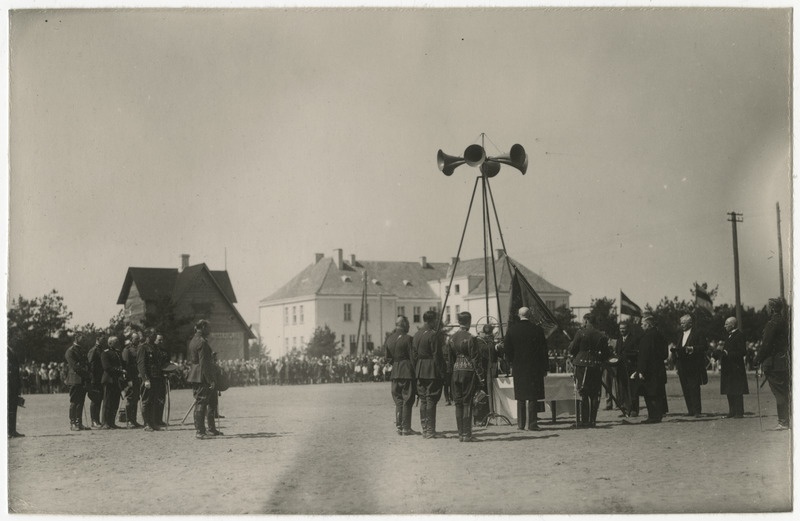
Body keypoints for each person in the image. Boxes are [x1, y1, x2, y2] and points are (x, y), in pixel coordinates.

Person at [504, 307, 549, 431]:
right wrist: (545, 367)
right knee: (533, 396)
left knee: (521, 396)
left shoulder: (512, 330)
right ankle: (533, 424)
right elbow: (544, 351)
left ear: (519, 315)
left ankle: (521, 424)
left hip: (519, 367)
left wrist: (511, 363)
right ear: (530, 315)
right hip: (535, 367)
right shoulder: (538, 330)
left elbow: (507, 349)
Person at [754, 298, 791, 430]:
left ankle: (783, 421)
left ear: (771, 309)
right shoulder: (785, 322)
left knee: (779, 393)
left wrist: (757, 359)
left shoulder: (772, 324)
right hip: (785, 361)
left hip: (774, 363)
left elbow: (766, 345)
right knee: (786, 391)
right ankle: (788, 420)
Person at [569, 314, 610, 428]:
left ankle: (584, 420)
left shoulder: (580, 332)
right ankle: (593, 420)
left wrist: (572, 346)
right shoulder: (601, 335)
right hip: (596, 365)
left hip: (581, 364)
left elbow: (572, 349)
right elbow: (606, 353)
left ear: (586, 321)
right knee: (594, 393)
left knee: (583, 392)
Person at [447, 312, 482, 442]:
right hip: (468, 372)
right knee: (467, 402)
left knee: (458, 403)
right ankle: (467, 434)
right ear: (469, 322)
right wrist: (480, 377)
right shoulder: (471, 338)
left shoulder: (451, 338)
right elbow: (476, 358)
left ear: (458, 321)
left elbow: (449, 360)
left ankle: (461, 433)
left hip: (455, 372)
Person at [412, 310, 446, 439]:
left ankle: (425, 428)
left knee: (423, 399)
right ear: (432, 320)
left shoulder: (417, 334)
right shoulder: (433, 335)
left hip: (420, 369)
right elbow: (437, 355)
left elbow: (414, 355)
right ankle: (431, 430)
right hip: (431, 369)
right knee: (431, 398)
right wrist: (442, 371)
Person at [187, 319, 220, 439]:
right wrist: (210, 379)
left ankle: (210, 429)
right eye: (209, 328)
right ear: (203, 327)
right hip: (202, 377)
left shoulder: (194, 340)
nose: (210, 330)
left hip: (197, 375)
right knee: (201, 403)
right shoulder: (202, 342)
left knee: (209, 402)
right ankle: (200, 432)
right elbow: (204, 364)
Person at [385, 316, 417, 436]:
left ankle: (399, 426)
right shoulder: (408, 339)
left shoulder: (389, 339)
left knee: (398, 400)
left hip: (395, 372)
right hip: (407, 371)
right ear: (403, 324)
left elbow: (387, 358)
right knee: (407, 400)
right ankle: (406, 427)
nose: (409, 326)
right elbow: (413, 357)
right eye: (407, 323)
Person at [633, 314, 668, 424]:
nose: (641, 326)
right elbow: (665, 354)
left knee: (650, 393)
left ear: (648, 325)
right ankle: (658, 415)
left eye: (643, 324)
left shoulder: (647, 337)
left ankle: (653, 416)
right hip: (659, 369)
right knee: (658, 393)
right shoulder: (660, 335)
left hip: (649, 370)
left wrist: (640, 370)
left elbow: (644, 355)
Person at [712, 317, 749, 419]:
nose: (725, 326)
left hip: (736, 367)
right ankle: (732, 411)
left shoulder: (739, 335)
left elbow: (742, 351)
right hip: (728, 367)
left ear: (732, 325)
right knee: (729, 389)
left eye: (726, 324)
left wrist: (728, 353)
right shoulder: (728, 336)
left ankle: (739, 412)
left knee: (737, 390)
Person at [672, 314, 708, 417]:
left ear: (690, 323)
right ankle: (690, 410)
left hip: (693, 365)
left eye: (683, 323)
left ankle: (697, 411)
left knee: (694, 387)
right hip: (682, 366)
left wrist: (693, 348)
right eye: (681, 323)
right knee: (685, 388)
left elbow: (704, 346)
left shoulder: (698, 333)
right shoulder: (680, 334)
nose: (681, 325)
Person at [138, 328, 167, 431]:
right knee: (146, 401)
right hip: (148, 378)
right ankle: (147, 424)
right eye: (153, 335)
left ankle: (153, 423)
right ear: (147, 336)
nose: (154, 336)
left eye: (155, 335)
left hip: (156, 377)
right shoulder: (143, 348)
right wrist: (145, 379)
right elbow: (141, 365)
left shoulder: (155, 348)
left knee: (154, 401)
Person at [65, 333, 92, 431]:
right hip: (75, 379)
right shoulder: (70, 351)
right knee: (74, 401)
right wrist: (86, 373)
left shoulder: (82, 350)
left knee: (81, 401)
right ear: (76, 338)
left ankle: (79, 422)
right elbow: (75, 366)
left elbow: (87, 363)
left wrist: (88, 372)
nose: (84, 340)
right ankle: (73, 423)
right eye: (82, 338)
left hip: (82, 379)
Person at [100, 336, 126, 429]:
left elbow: (122, 364)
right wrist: (120, 371)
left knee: (115, 402)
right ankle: (105, 422)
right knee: (107, 402)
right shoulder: (105, 353)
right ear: (110, 343)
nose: (118, 342)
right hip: (109, 379)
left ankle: (111, 422)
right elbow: (106, 367)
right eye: (116, 341)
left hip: (116, 380)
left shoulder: (118, 352)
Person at [616, 322, 641, 417]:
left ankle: (634, 410)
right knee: (623, 390)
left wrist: (627, 355)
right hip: (621, 368)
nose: (622, 330)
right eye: (620, 328)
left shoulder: (634, 339)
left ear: (628, 329)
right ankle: (626, 410)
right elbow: (618, 352)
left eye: (624, 328)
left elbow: (637, 353)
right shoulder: (619, 340)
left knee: (633, 390)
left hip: (631, 368)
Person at [122, 333, 143, 428]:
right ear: (131, 339)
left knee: (136, 399)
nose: (138, 340)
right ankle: (129, 420)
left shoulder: (139, 348)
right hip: (131, 377)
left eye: (139, 339)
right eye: (136, 339)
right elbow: (125, 365)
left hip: (138, 377)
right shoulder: (127, 350)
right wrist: (128, 379)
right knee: (130, 399)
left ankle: (134, 420)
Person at [87, 334, 106, 428]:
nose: (104, 340)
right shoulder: (93, 350)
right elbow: (89, 364)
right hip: (94, 379)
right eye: (103, 338)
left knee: (99, 399)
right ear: (97, 339)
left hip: (100, 378)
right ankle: (94, 420)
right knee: (95, 399)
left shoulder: (101, 349)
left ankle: (97, 420)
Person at [8, 345, 25, 438]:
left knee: (12, 408)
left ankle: (12, 430)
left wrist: (18, 385)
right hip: (8, 385)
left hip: (13, 385)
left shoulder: (11, 351)